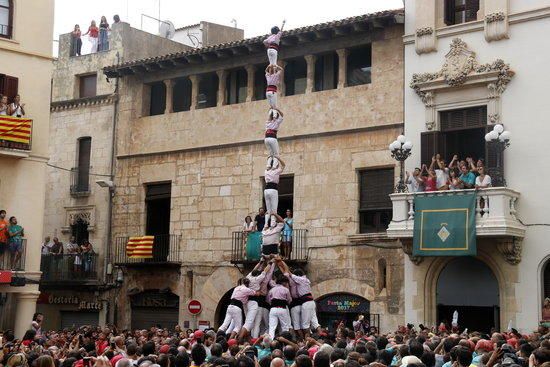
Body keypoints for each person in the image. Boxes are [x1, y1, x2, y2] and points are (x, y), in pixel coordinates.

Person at [239, 259, 272, 340]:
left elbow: (254, 269)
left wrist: (260, 262)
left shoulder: (248, 277)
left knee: (249, 322)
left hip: (246, 302)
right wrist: (270, 263)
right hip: (254, 302)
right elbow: (265, 271)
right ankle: (254, 339)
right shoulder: (257, 279)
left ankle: (245, 338)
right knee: (256, 324)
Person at [267, 275, 292, 339]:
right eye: (286, 282)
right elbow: (289, 300)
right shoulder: (286, 290)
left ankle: (270, 342)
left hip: (273, 309)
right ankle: (285, 343)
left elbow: (268, 300)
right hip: (282, 308)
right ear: (283, 282)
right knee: (285, 327)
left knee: (272, 327)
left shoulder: (272, 290)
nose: (286, 284)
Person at [264, 156, 286, 228]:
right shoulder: (276, 171)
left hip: (266, 190)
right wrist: (278, 158)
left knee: (268, 209)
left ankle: (266, 224)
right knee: (274, 209)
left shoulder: (266, 171)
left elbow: (268, 165)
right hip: (273, 189)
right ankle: (272, 224)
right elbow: (284, 165)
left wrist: (270, 158)